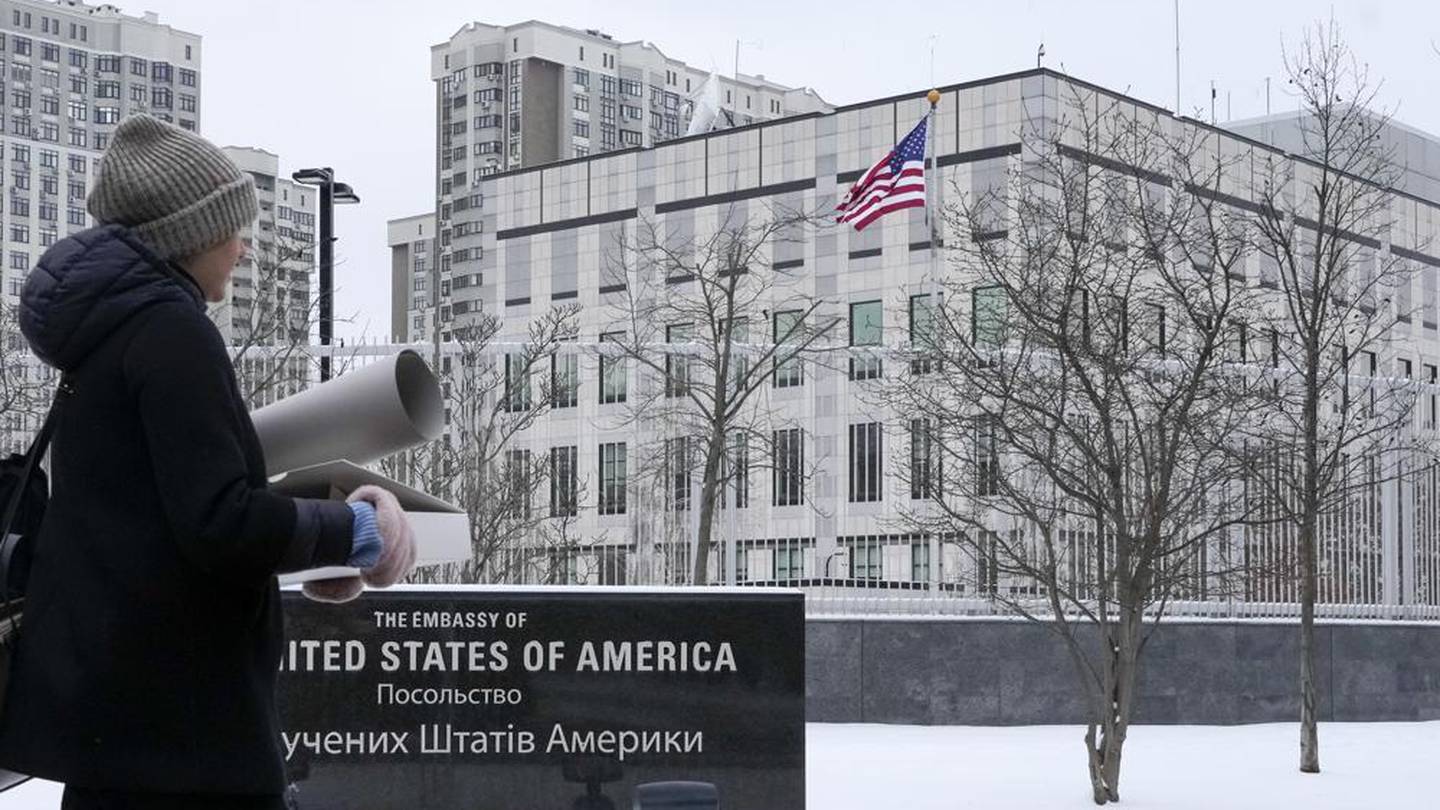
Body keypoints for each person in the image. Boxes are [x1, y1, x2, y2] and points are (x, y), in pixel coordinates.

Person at [0, 114, 417, 809]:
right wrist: (356, 532)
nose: (243, 249)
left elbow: (145, 525)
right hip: (189, 734)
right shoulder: (172, 333)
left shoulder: (104, 339)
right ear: (187, 234)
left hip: (116, 724)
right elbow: (218, 523)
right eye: (234, 228)